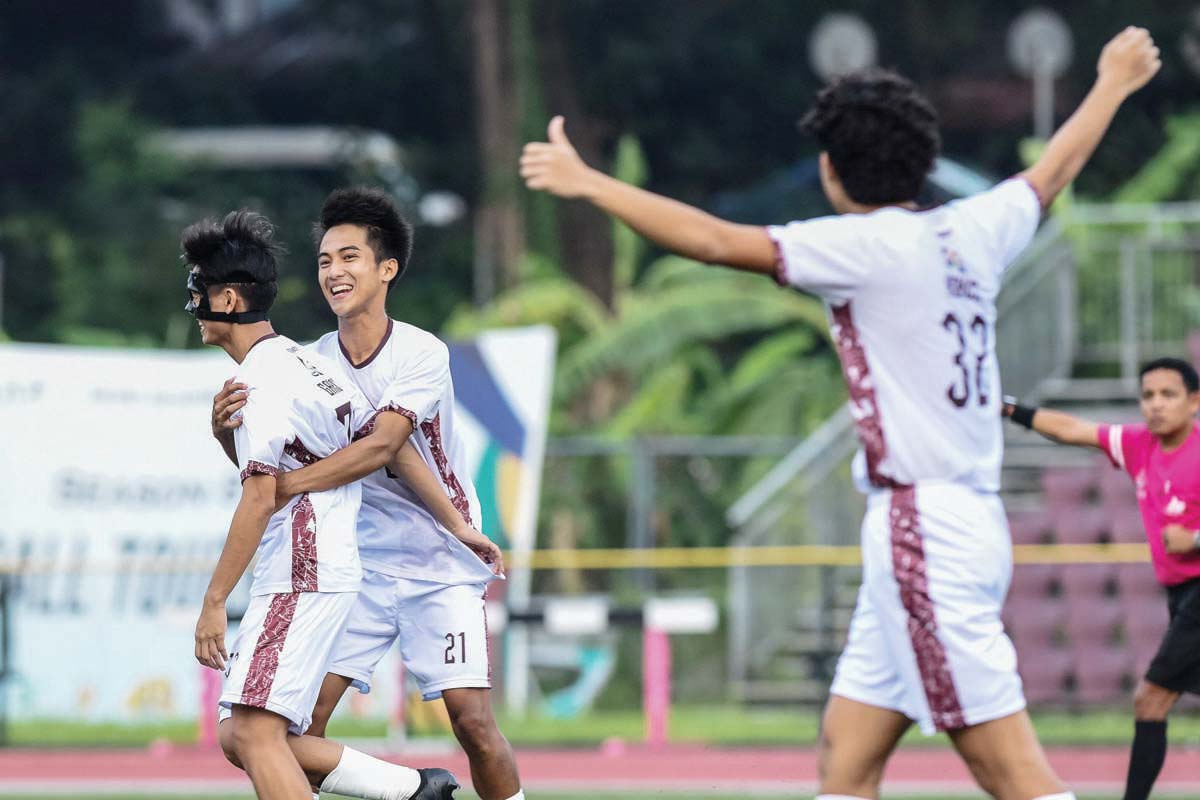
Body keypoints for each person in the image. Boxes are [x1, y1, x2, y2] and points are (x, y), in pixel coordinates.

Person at [520, 25, 1160, 800]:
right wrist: (1112, 83)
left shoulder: (862, 247)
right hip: (959, 524)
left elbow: (717, 241)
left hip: (924, 533)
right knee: (845, 761)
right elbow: (1051, 171)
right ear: (923, 158)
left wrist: (592, 183)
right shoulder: (973, 228)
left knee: (1019, 779)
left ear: (831, 170)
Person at [212, 187, 524, 800]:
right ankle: (412, 790)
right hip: (358, 567)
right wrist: (226, 434)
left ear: (388, 269)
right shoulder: (308, 362)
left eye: (350, 257)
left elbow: (385, 447)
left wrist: (459, 527)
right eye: (325, 260)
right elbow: (270, 462)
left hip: (440, 564)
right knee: (292, 729)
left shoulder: (422, 353)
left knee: (474, 724)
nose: (334, 272)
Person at [1003, 357, 1200, 800]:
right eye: (1148, 395)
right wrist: (1012, 409)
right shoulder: (1139, 445)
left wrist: (1195, 538)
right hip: (1182, 596)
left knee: (1150, 699)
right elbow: (1072, 430)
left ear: (1194, 402)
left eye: (1168, 394)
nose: (1156, 405)